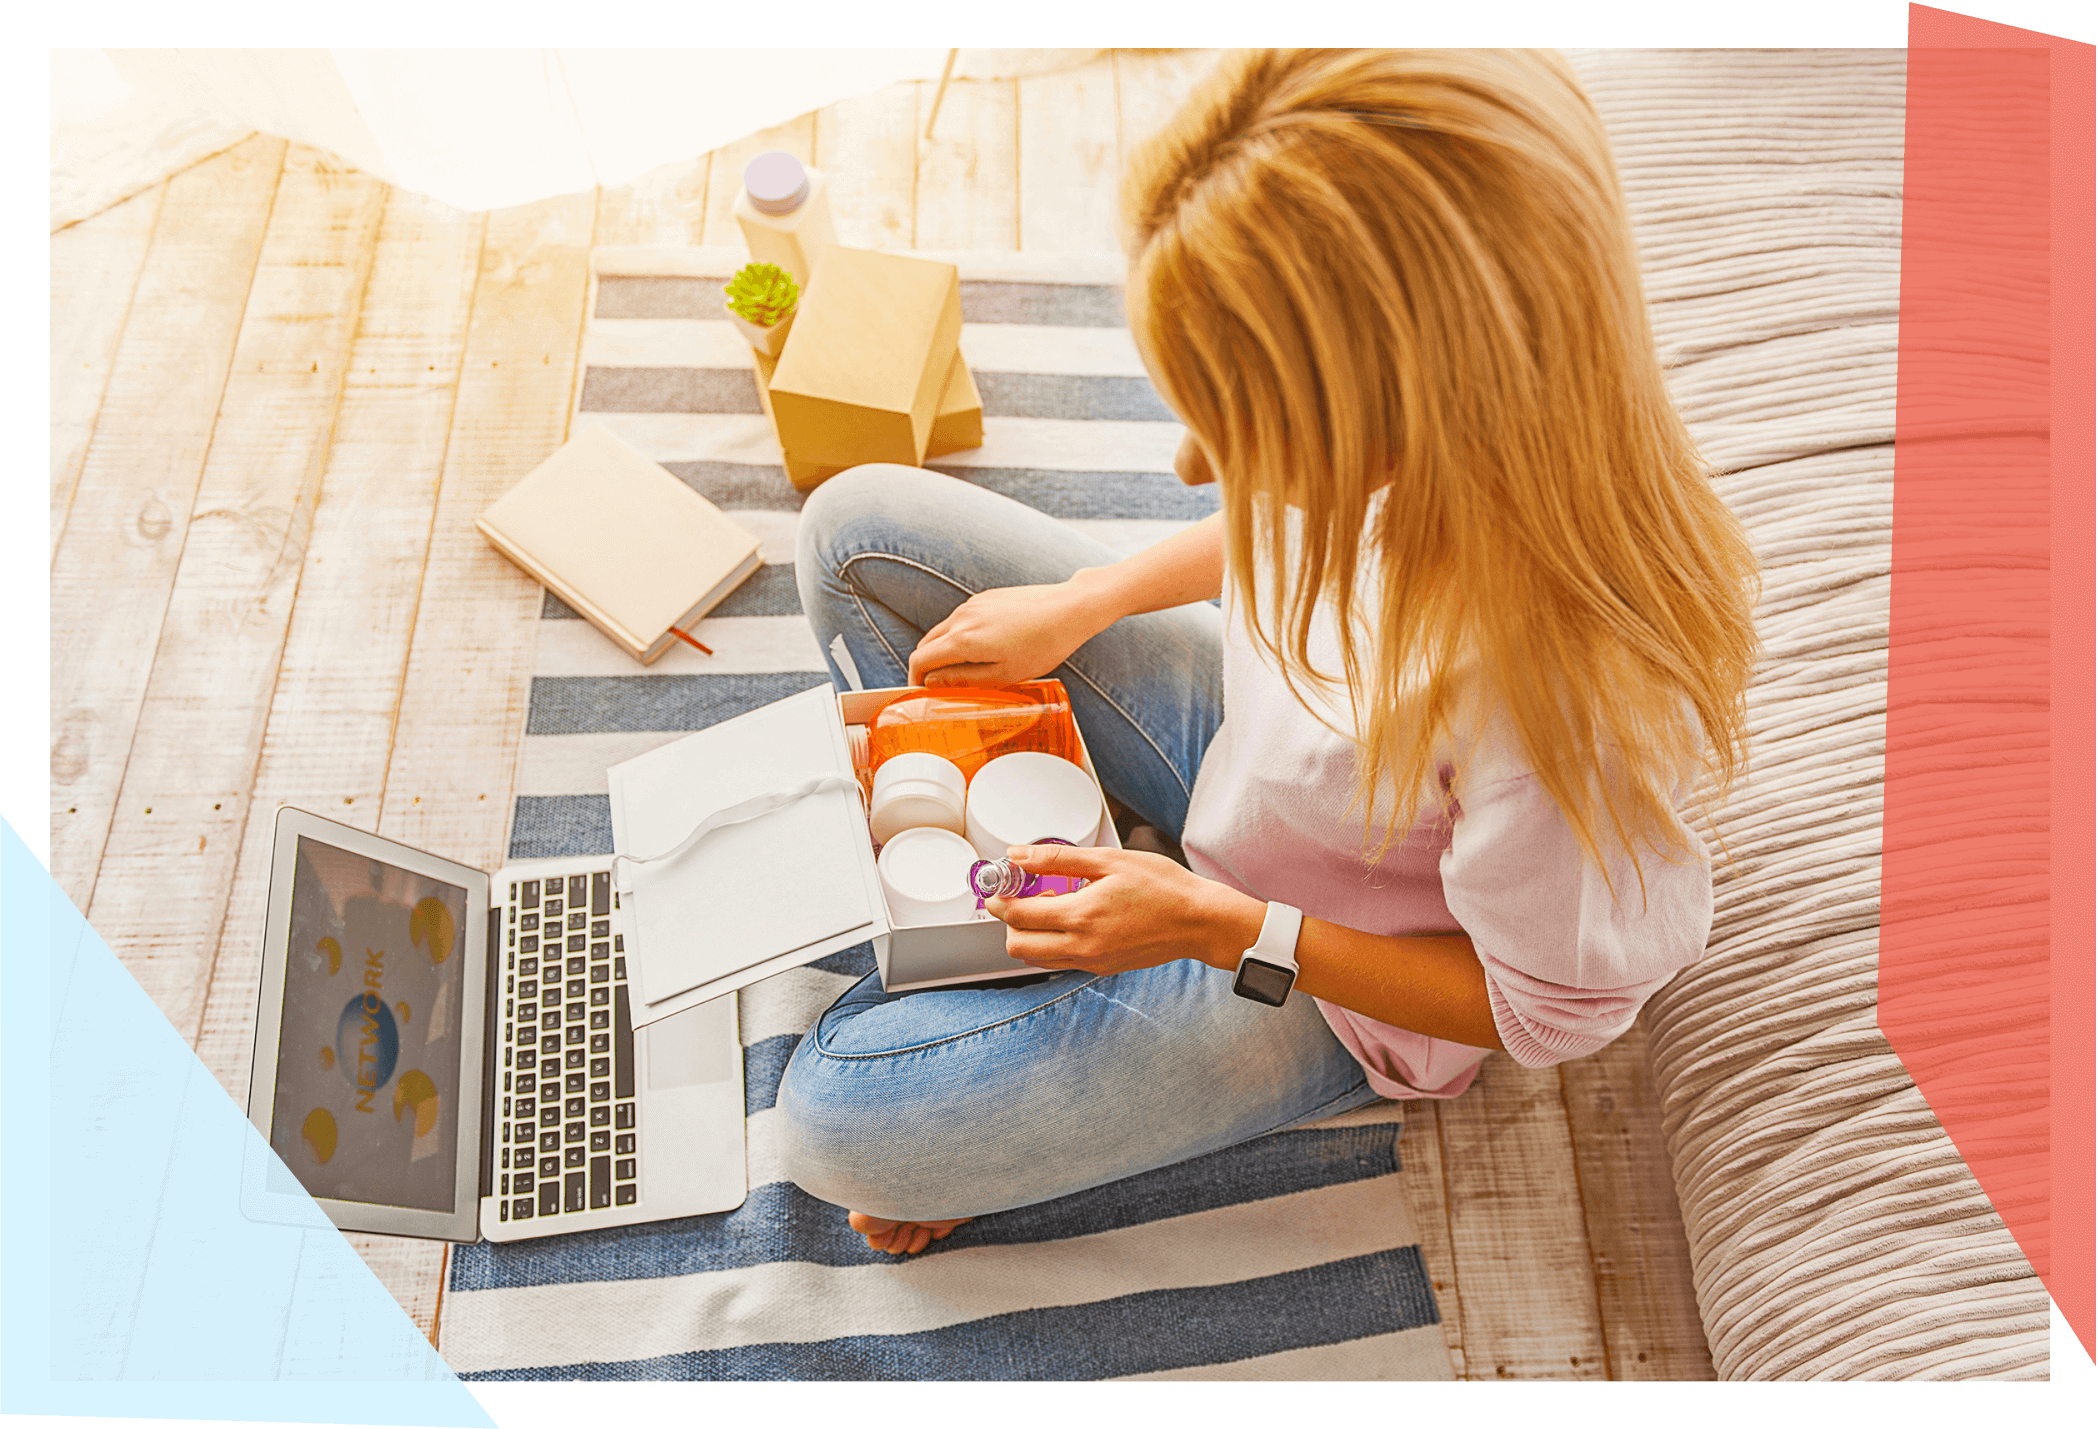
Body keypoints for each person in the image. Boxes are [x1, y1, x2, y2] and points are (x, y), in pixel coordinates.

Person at [780, 47, 1760, 1257]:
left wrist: (1210, 926)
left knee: (831, 1125)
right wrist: (1083, 600)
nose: (1192, 468)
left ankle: (1045, 1013)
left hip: (1326, 981)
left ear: (1388, 413)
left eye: (1238, 429)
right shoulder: (1450, 431)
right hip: (1267, 771)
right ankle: (1056, 972)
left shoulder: (1558, 704)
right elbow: (1273, 523)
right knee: (854, 529)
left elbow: (1541, 1013)